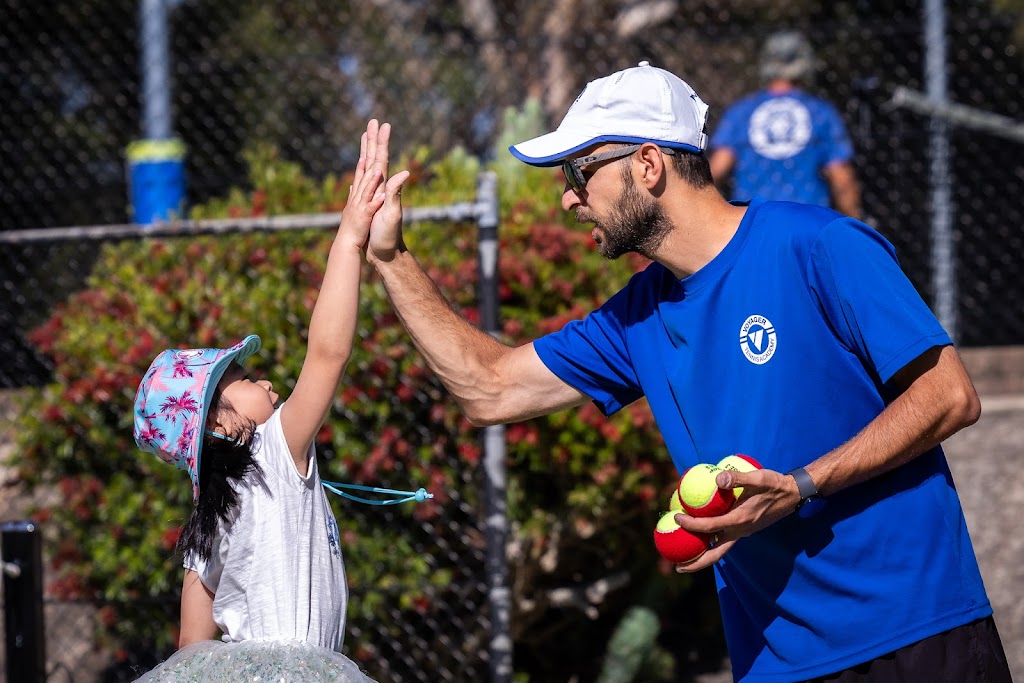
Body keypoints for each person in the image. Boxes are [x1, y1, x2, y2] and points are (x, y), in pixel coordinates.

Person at [362, 63, 1012, 681]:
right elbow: (490, 388)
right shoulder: (636, 316)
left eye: (578, 172)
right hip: (776, 661)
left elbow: (949, 395)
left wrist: (801, 484)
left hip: (918, 634)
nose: (567, 198)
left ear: (647, 164)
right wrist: (390, 256)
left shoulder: (820, 244)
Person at [131, 120, 408, 681]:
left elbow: (190, 650)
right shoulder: (274, 453)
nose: (269, 386)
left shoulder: (205, 521)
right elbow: (328, 353)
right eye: (245, 378)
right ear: (217, 424)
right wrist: (350, 237)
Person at [708, 31, 862, 219]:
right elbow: (842, 179)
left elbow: (715, 171)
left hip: (752, 223)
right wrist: (855, 224)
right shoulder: (820, 112)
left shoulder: (742, 112)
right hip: (806, 222)